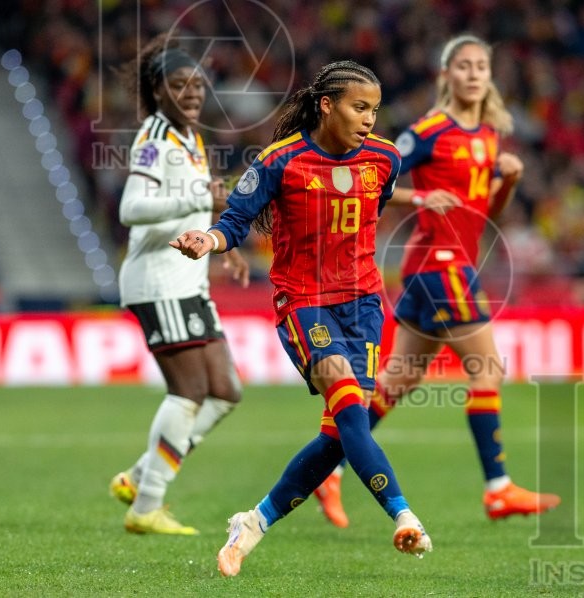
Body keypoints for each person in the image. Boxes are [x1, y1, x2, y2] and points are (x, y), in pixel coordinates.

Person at [171, 59, 432, 577]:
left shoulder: (384, 159)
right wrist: (209, 239)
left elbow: (370, 214)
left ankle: (252, 523)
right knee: (352, 411)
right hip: (304, 302)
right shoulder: (280, 161)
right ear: (327, 105)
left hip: (363, 306)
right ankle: (404, 516)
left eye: (375, 110)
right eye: (360, 107)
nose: (369, 120)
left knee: (338, 436)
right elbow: (236, 220)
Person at [313, 34, 560, 527]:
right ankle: (498, 488)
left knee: (398, 381)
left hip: (446, 264)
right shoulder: (429, 131)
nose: (473, 74)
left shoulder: (488, 136)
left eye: (481, 67)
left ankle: (329, 470)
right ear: (446, 75)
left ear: (489, 77)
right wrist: (420, 200)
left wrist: (506, 180)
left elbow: (484, 213)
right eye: (463, 66)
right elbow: (373, 175)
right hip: (439, 263)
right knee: (487, 367)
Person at [108, 35, 250, 536]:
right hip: (158, 281)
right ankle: (146, 505)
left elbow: (194, 202)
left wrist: (220, 245)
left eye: (197, 84)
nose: (191, 93)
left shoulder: (189, 137)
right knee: (189, 391)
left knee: (225, 392)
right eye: (178, 85)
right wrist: (194, 193)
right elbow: (132, 208)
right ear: (158, 90)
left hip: (189, 279)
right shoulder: (154, 135)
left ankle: (141, 475)